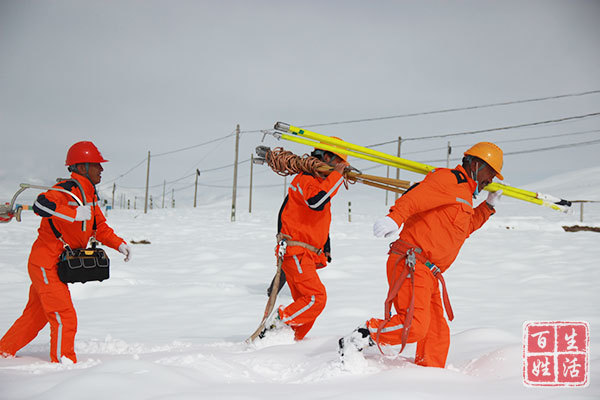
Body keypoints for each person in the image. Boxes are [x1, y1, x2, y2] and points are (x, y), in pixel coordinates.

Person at [338, 142, 504, 368]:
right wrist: (394, 218)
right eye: (490, 174)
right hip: (411, 262)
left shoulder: (464, 195)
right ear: (476, 165)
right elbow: (416, 197)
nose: (490, 181)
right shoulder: (449, 180)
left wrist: (487, 208)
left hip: (428, 270)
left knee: (436, 332)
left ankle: (428, 377)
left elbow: (464, 228)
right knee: (414, 325)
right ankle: (360, 337)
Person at [0, 141, 131, 363]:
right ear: (81, 167)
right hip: (45, 262)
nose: (101, 169)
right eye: (96, 164)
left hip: (53, 264)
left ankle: (4, 350)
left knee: (35, 316)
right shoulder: (64, 190)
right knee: (64, 315)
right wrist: (71, 213)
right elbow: (41, 205)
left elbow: (100, 228)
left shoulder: (88, 196)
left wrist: (119, 244)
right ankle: (64, 362)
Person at [260, 140, 349, 341]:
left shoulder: (318, 182)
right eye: (339, 162)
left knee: (305, 304)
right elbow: (316, 202)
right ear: (327, 157)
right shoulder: (305, 179)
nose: (341, 167)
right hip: (297, 253)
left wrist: (326, 247)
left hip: (304, 254)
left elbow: (318, 220)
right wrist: (337, 175)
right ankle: (279, 323)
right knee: (316, 299)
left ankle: (284, 340)